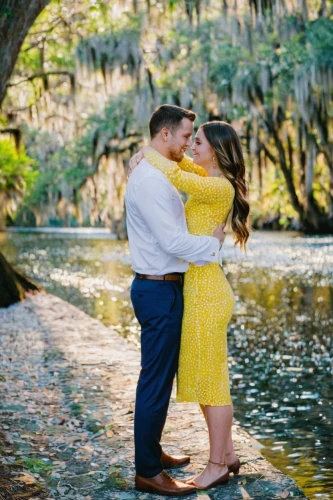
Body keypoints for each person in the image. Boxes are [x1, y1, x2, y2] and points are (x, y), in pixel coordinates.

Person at [128, 119, 250, 490]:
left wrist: (148, 152)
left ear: (215, 149)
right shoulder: (205, 176)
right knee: (202, 377)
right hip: (195, 289)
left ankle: (216, 465)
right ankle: (227, 454)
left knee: (213, 382)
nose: (191, 146)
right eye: (188, 138)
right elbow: (180, 166)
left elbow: (177, 174)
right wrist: (147, 154)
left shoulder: (217, 186)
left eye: (197, 141)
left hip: (208, 292)